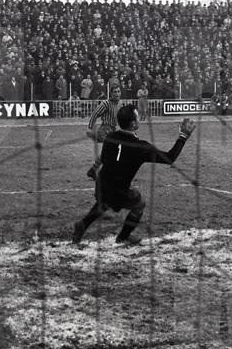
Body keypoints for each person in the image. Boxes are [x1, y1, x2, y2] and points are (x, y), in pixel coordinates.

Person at [73, 105, 196, 245]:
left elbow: (105, 159)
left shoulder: (110, 136)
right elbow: (169, 158)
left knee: (106, 199)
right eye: (137, 117)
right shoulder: (141, 147)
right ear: (133, 124)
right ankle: (123, 237)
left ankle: (82, 224)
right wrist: (183, 136)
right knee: (139, 204)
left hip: (100, 185)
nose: (139, 119)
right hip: (118, 190)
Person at [85, 84, 122, 180]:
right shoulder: (106, 103)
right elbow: (95, 114)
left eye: (118, 91)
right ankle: (108, 173)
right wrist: (90, 127)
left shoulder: (120, 103)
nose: (117, 94)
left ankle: (93, 170)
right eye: (115, 92)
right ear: (111, 94)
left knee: (108, 152)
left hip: (112, 130)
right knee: (112, 151)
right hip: (105, 129)